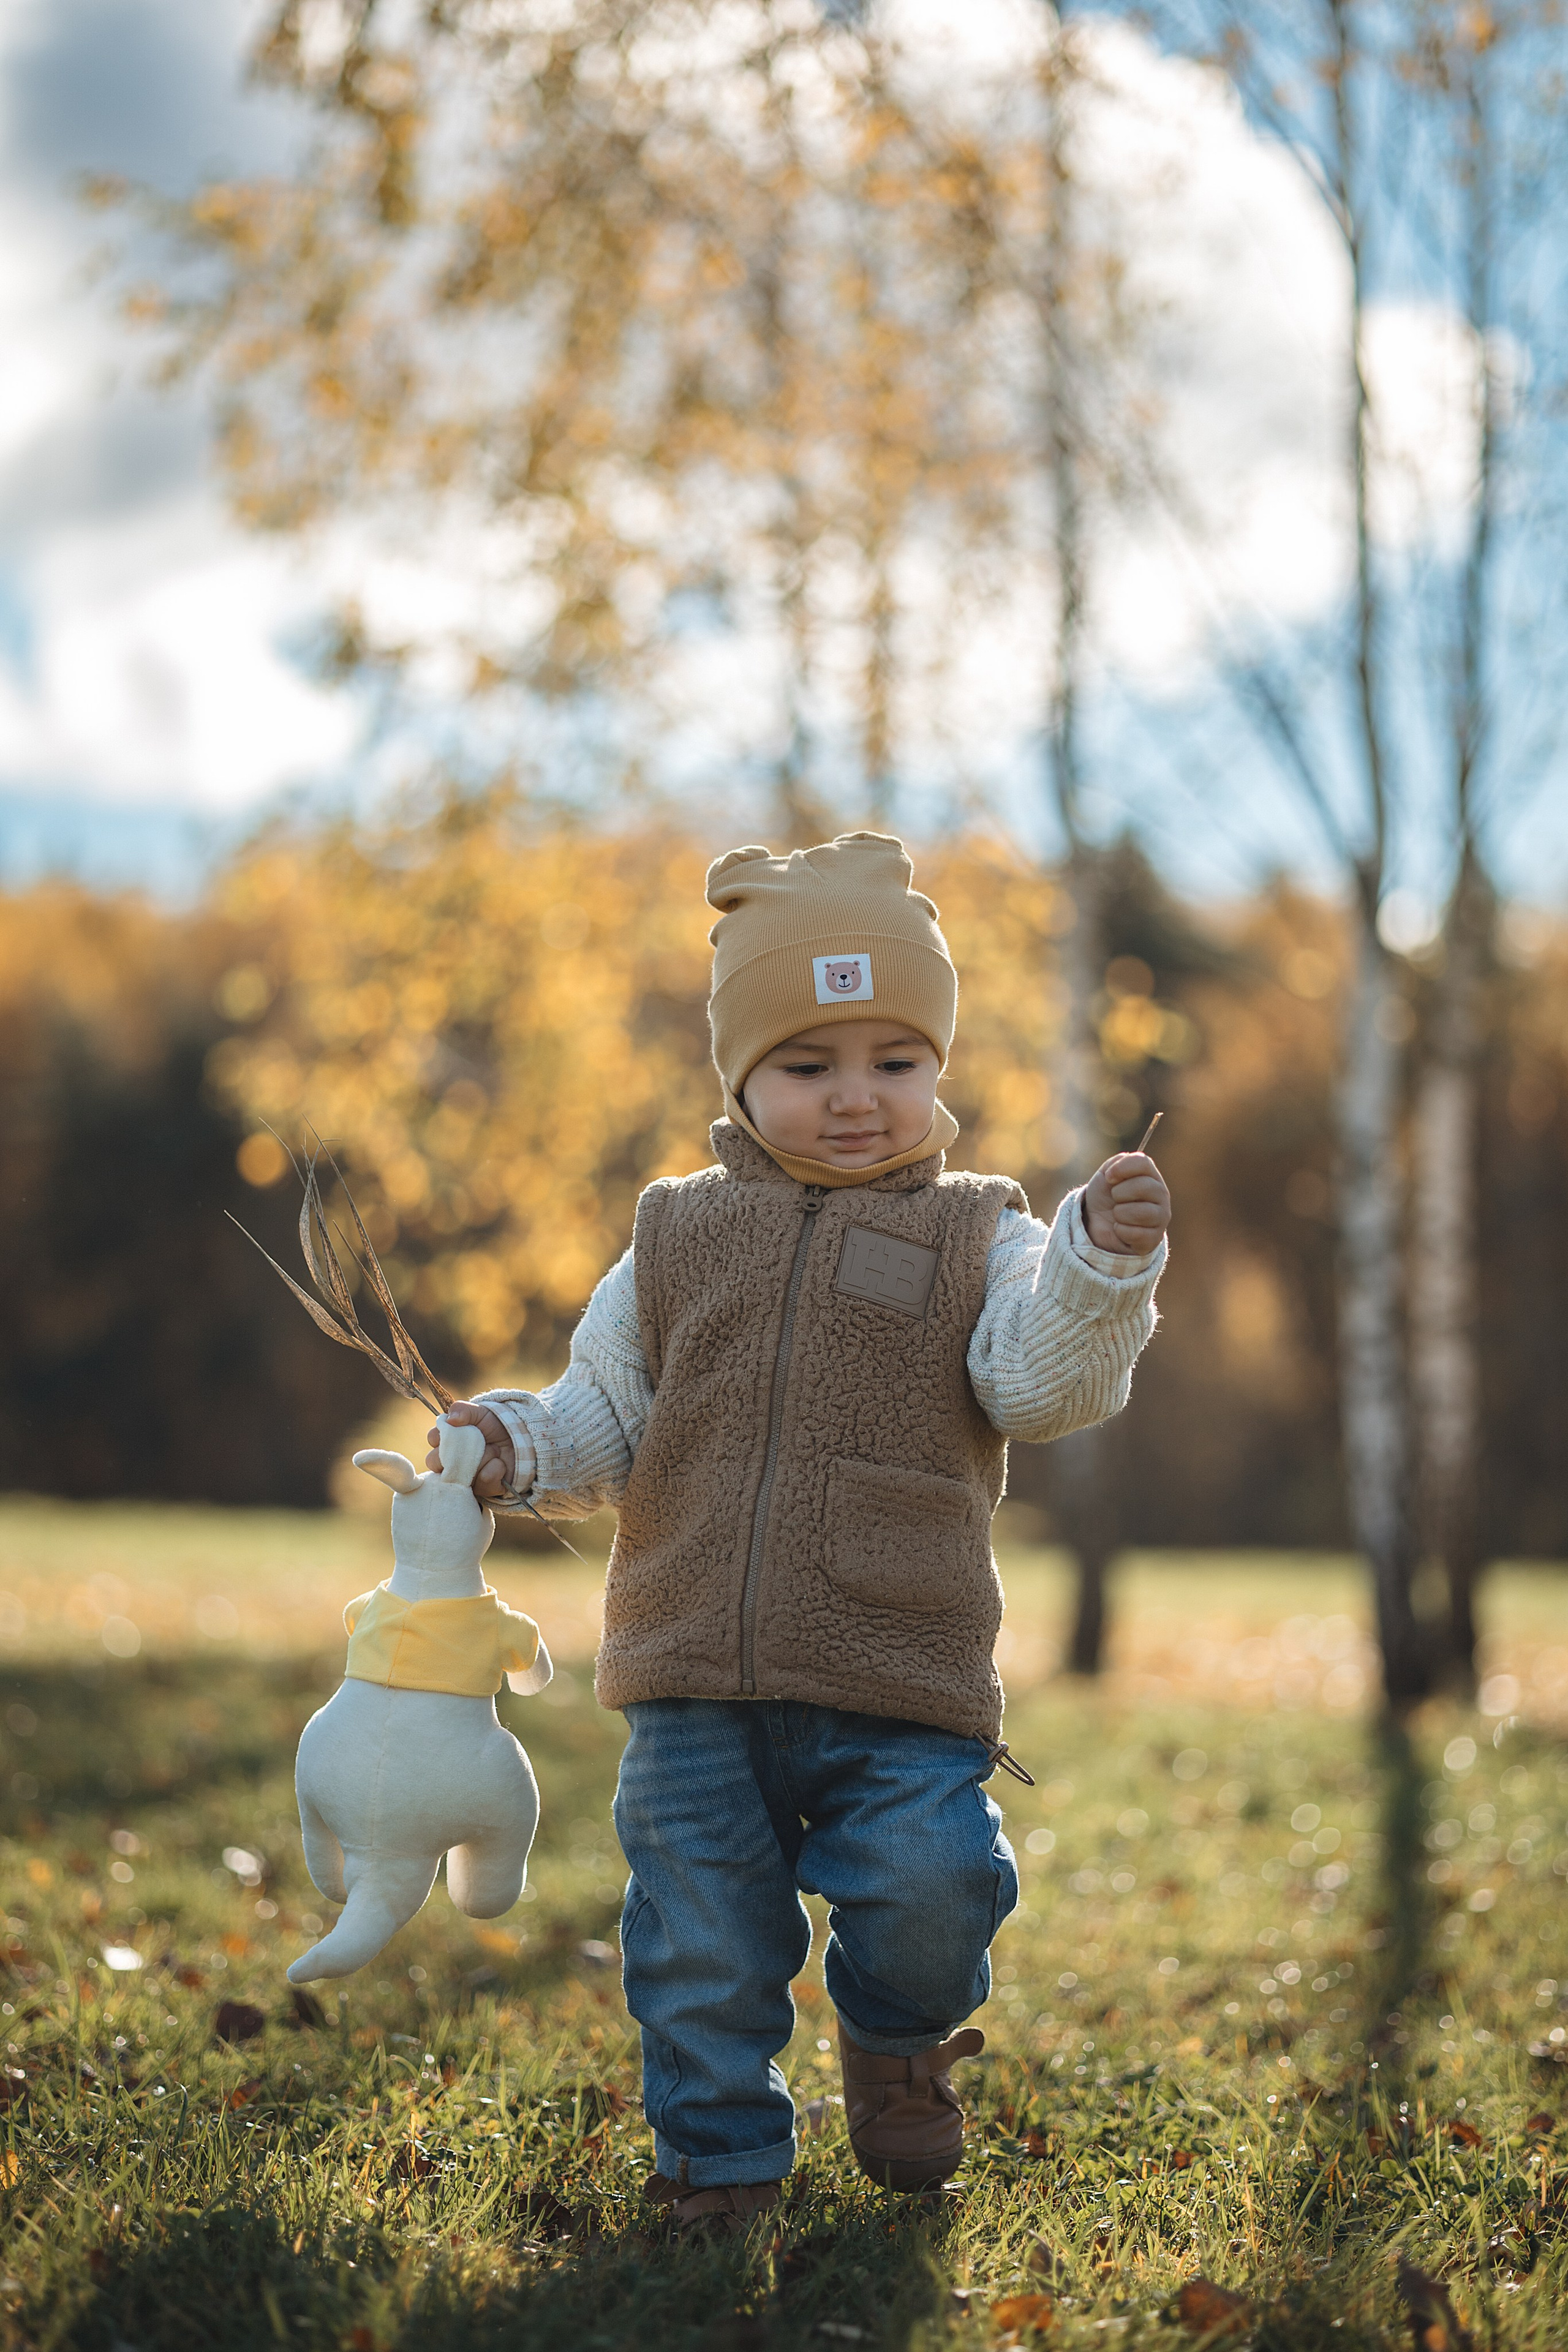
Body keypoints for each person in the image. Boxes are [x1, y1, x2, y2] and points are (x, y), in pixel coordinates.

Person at [427, 833, 1169, 2230]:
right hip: (694, 1666)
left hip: (899, 1664)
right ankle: (718, 2164)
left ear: (937, 1072)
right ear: (739, 1075)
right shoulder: (675, 1238)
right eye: (808, 1064)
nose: (853, 1101)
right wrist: (514, 1445)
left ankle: (897, 2036)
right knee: (699, 1942)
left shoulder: (981, 1234)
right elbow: (607, 1410)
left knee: (933, 1882)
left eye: (894, 1062)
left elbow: (1034, 1379)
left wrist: (1097, 1267)